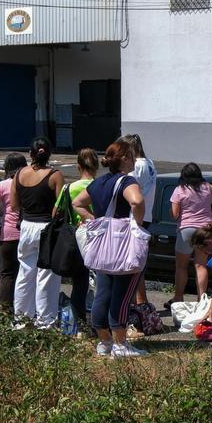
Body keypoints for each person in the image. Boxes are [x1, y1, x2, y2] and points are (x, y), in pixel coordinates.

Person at [72, 141, 146, 358]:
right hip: (123, 244)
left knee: (102, 292)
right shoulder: (127, 181)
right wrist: (137, 223)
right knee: (122, 294)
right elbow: (137, 201)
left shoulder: (100, 182)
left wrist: (95, 219)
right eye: (132, 156)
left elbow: (77, 203)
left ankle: (104, 342)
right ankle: (121, 345)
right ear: (124, 158)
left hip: (104, 245)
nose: (134, 160)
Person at [11, 137, 65, 329]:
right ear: (49, 153)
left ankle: (21, 318)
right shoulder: (55, 175)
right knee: (47, 275)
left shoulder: (19, 174)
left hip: (26, 225)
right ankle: (45, 321)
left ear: (30, 154)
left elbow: (14, 204)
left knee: (25, 272)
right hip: (46, 228)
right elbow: (59, 207)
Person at [169, 162, 212, 305]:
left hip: (186, 229)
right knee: (201, 265)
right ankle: (201, 299)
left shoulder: (180, 190)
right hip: (205, 231)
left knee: (181, 266)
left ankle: (178, 297)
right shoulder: (209, 188)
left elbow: (175, 214)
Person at [0, 153, 27, 316]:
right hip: (29, 232)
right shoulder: (31, 182)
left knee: (7, 273)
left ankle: (6, 309)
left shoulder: (2, 185)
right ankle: (26, 308)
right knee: (28, 272)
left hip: (8, 232)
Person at [119, 134, 155, 307]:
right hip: (146, 215)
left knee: (133, 262)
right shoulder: (149, 163)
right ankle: (141, 300)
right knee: (139, 260)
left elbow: (130, 189)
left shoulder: (137, 166)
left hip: (136, 216)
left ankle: (137, 301)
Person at [65, 148, 98, 327]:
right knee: (101, 284)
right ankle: (101, 325)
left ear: (78, 167)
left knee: (79, 283)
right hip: (99, 239)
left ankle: (78, 325)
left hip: (77, 239)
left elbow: (57, 212)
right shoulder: (100, 185)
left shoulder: (70, 187)